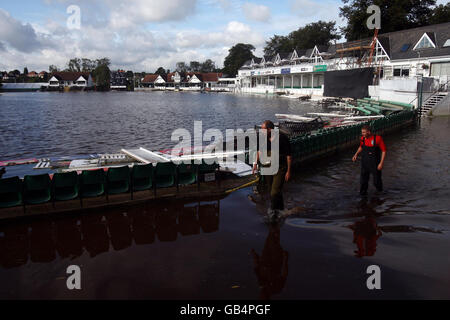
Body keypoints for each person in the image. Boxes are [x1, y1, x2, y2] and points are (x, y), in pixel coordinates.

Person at [252, 120, 292, 212]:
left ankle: (273, 212)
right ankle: (281, 208)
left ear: (270, 129)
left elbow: (288, 156)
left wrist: (288, 171)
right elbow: (260, 151)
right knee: (272, 191)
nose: (261, 132)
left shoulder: (282, 138)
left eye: (263, 129)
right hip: (267, 167)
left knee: (274, 192)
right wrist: (255, 163)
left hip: (280, 168)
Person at [352, 125, 386, 196]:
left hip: (375, 163)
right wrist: (356, 154)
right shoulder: (363, 139)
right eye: (362, 132)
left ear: (369, 132)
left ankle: (380, 194)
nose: (362, 134)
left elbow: (383, 151)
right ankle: (363, 195)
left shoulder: (377, 138)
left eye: (364, 132)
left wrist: (381, 163)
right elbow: (361, 147)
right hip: (365, 163)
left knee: (376, 181)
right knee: (363, 181)